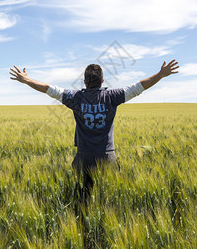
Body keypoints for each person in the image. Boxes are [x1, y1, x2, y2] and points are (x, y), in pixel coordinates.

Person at [9, 60, 179, 204]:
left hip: (84, 157)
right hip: (107, 156)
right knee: (111, 199)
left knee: (82, 200)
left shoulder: (75, 98)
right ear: (103, 80)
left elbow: (48, 89)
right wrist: (160, 74)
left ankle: (82, 227)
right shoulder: (112, 96)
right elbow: (139, 87)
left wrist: (26, 80)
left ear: (84, 81)